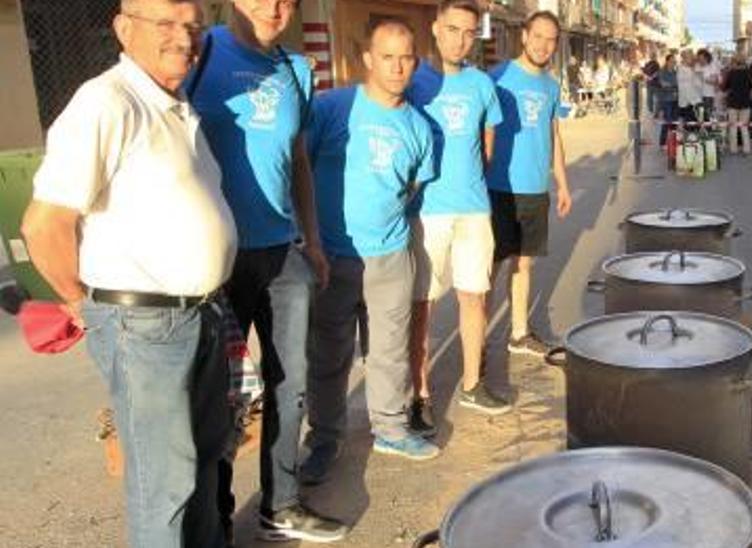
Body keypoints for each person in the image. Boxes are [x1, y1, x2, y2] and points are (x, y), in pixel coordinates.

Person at [21, 1, 234, 545]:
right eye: (165, 24)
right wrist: (80, 305)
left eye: (192, 27)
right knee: (163, 485)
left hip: (200, 313)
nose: (183, 39)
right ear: (124, 28)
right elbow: (45, 225)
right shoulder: (106, 102)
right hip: (143, 325)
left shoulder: (176, 103)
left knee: (206, 461)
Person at [184, 0, 336, 539]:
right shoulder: (199, 52)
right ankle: (217, 517)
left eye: (286, 0)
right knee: (223, 392)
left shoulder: (296, 70)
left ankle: (282, 505)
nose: (275, 9)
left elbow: (297, 159)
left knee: (289, 385)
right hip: (217, 262)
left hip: (282, 253)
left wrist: (312, 239)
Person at [302, 17, 439, 491]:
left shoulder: (421, 128)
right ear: (367, 59)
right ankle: (324, 439)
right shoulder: (334, 109)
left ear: (416, 62)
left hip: (390, 256)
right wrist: (310, 240)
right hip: (332, 257)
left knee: (389, 353)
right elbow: (301, 168)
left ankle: (391, 429)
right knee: (328, 355)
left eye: (406, 58)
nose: (398, 67)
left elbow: (415, 189)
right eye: (388, 56)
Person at [406, 0, 512, 424]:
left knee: (475, 298)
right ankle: (421, 395)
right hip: (427, 210)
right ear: (435, 28)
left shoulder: (482, 84)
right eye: (453, 29)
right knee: (423, 306)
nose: (461, 40)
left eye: (470, 32)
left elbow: (486, 146)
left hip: (473, 209)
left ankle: (472, 384)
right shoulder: (414, 81)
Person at [487, 11, 573, 361]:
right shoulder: (498, 77)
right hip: (499, 186)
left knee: (524, 264)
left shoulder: (551, 85)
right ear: (524, 36)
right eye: (537, 36)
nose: (543, 45)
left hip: (535, 189)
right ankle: (475, 339)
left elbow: (553, 135)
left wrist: (563, 185)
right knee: (489, 269)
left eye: (550, 39)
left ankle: (519, 333)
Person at [723, 54, 752, 156]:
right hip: (745, 103)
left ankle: (734, 149)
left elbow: (724, 87)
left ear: (734, 62)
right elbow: (751, 87)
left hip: (733, 103)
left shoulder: (731, 73)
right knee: (744, 127)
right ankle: (746, 148)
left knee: (733, 127)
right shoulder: (748, 73)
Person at [656, 53, 679, 146]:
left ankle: (673, 142)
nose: (673, 63)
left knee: (674, 122)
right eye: (672, 61)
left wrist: (672, 86)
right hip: (666, 100)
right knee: (667, 122)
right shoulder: (662, 72)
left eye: (674, 61)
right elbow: (663, 84)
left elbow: (677, 85)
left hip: (675, 99)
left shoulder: (675, 72)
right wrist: (673, 86)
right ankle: (663, 143)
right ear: (667, 61)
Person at [676, 50, 701, 125]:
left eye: (692, 57)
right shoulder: (680, 69)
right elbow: (683, 87)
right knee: (685, 125)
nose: (692, 59)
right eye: (690, 57)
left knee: (695, 125)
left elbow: (699, 84)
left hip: (695, 101)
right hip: (686, 102)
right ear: (684, 58)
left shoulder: (694, 69)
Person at [696, 49, 718, 120]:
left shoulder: (712, 67)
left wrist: (704, 78)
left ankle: (709, 129)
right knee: (700, 115)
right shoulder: (697, 66)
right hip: (698, 95)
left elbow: (715, 81)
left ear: (707, 58)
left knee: (708, 114)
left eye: (702, 58)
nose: (700, 60)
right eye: (699, 58)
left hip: (708, 95)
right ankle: (702, 129)